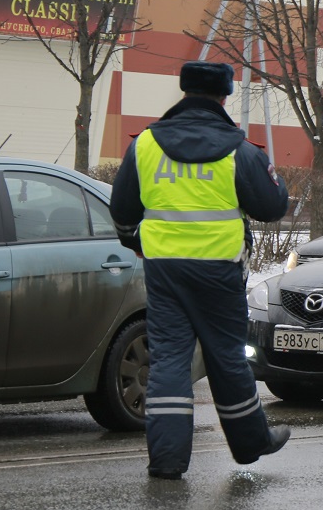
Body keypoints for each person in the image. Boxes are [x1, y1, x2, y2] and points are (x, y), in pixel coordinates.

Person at [111, 61, 292, 480]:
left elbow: (122, 211)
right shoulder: (239, 150)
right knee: (227, 356)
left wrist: (135, 241)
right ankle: (250, 444)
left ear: (184, 91)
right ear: (225, 96)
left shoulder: (146, 145)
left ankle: (168, 460)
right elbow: (272, 206)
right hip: (219, 271)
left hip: (165, 270)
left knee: (170, 360)